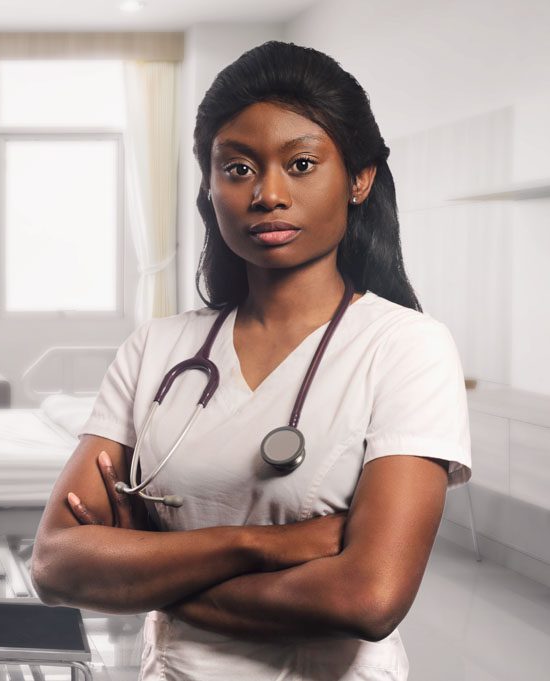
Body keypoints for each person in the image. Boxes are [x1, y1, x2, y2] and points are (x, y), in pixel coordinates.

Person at [31, 41, 471, 681]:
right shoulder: (158, 349)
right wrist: (263, 545)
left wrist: (150, 564)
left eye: (300, 163)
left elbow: (368, 597)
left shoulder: (406, 347)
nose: (267, 193)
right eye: (237, 168)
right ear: (209, 188)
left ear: (358, 178)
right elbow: (56, 565)